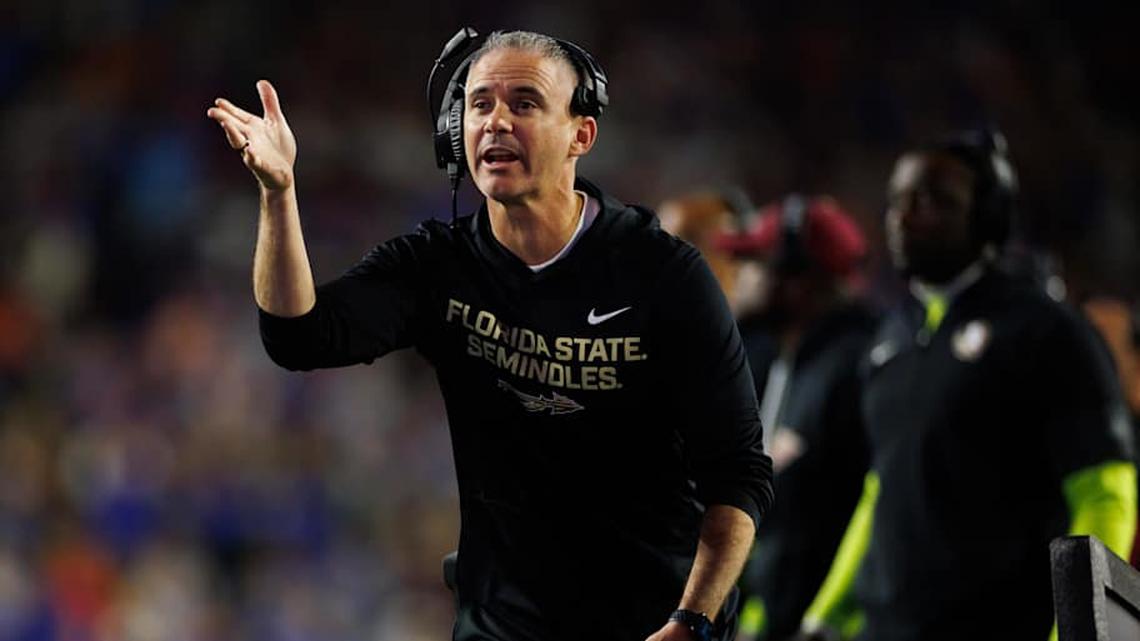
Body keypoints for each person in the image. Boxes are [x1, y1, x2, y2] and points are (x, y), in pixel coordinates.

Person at [206, 28, 773, 641]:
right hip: (500, 625)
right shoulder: (436, 266)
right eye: (479, 104)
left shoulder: (665, 274)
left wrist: (690, 621)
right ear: (456, 134)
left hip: (652, 622)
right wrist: (279, 194)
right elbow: (298, 338)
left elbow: (739, 476)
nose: (496, 121)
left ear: (581, 134)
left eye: (524, 103)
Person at [800, 129, 1137, 641]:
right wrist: (824, 615)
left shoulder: (1046, 330)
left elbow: (1105, 490)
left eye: (935, 201)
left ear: (989, 220)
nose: (905, 216)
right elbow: (882, 489)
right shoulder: (891, 339)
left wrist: (1081, 632)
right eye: (899, 200)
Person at [712, 195, 876, 641]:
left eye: (752, 263)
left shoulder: (856, 368)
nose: (737, 278)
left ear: (797, 280)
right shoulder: (793, 359)